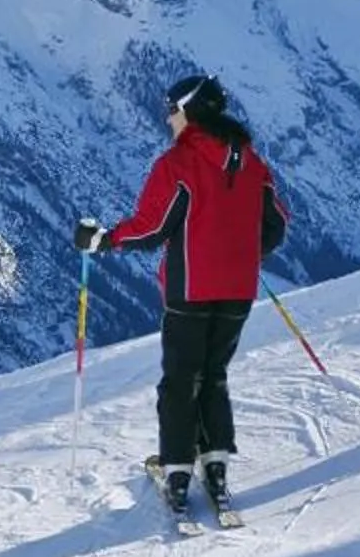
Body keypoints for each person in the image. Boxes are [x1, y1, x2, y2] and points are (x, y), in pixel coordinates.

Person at [77, 74, 290, 517]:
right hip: (238, 291)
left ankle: (177, 474)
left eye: (172, 109)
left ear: (190, 111)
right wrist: (242, 253)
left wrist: (103, 240)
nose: (167, 118)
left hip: (190, 289)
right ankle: (216, 467)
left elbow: (151, 228)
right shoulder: (252, 163)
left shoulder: (178, 163)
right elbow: (277, 224)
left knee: (180, 379)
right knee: (214, 374)